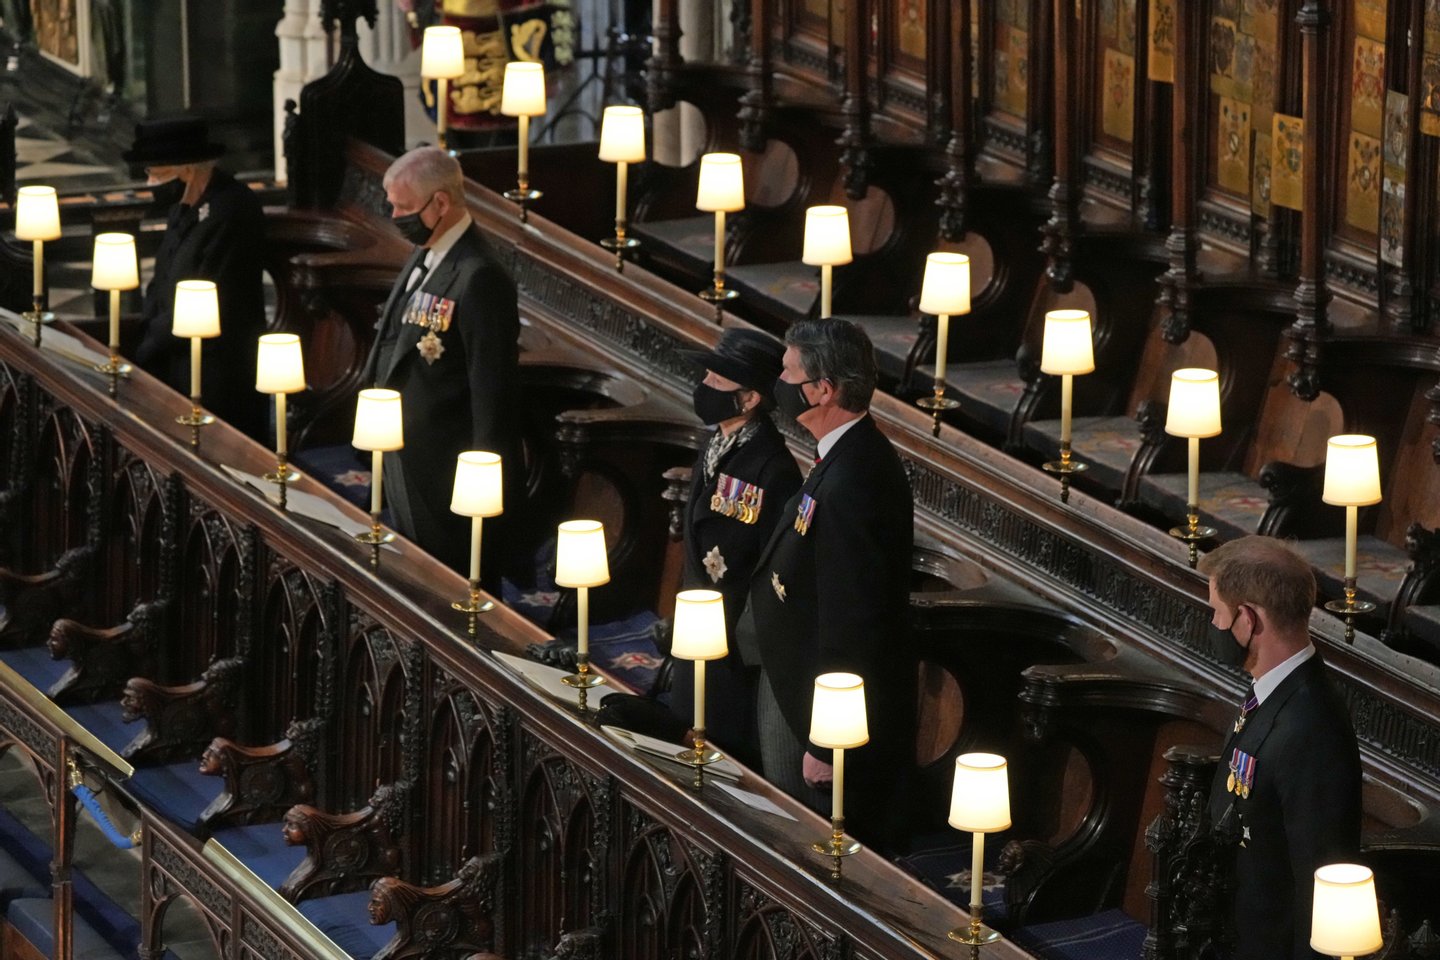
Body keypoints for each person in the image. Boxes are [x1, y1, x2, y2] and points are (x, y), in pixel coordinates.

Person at [746, 318, 914, 850]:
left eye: (789, 371)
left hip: (814, 707)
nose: (780, 381)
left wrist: (825, 741)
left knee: (808, 840)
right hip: (793, 678)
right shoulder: (841, 455)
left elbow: (854, 619)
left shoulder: (856, 477)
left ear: (823, 389)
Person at [360, 147, 522, 579]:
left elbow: (493, 394)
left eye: (403, 207)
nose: (394, 215)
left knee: (451, 585)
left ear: (441, 204)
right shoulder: (428, 253)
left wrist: (482, 487)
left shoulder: (480, 276)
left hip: (447, 473)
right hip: (404, 454)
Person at [1199, 536, 1361, 960]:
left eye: (1217, 612)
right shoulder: (1272, 691)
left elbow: (1320, 879)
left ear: (1248, 619)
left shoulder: (1311, 725)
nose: (1214, 624)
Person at [670, 328, 802, 769]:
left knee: (721, 762)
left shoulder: (773, 468)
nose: (704, 387)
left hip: (729, 650)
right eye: (707, 375)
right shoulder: (716, 445)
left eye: (717, 381)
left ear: (749, 399)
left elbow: (772, 571)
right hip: (696, 632)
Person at [127, 116, 267, 441]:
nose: (149, 184)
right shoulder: (185, 205)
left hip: (216, 373)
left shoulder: (232, 209)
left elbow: (215, 294)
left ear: (187, 170)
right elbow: (162, 280)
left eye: (156, 174)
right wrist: (144, 332)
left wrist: (147, 348)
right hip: (173, 357)